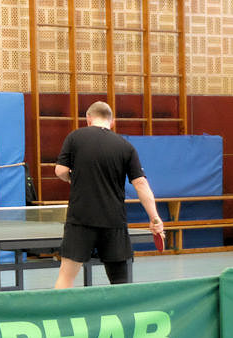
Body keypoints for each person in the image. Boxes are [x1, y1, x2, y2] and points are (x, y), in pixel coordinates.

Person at [53, 101, 164, 288]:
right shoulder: (125, 146)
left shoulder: (75, 137)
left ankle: (60, 308)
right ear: (112, 122)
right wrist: (155, 218)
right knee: (120, 282)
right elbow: (141, 184)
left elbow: (60, 171)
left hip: (81, 219)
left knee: (66, 277)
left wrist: (73, 178)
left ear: (88, 119)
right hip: (113, 221)